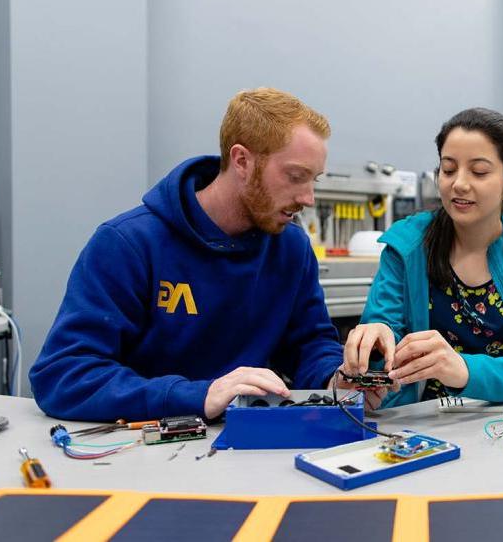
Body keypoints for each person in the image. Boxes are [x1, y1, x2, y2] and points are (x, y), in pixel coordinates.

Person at [30, 87, 379, 421]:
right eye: (295, 176)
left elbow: (309, 344)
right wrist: (198, 396)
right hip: (143, 451)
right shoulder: (128, 244)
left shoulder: (291, 248)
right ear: (242, 160)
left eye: (313, 179)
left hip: (250, 450)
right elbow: (63, 376)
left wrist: (336, 382)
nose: (308, 198)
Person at [341, 107, 503, 407]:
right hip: (418, 424)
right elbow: (383, 333)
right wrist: (374, 345)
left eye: (479, 172)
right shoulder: (407, 245)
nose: (459, 184)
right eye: (448, 169)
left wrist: (461, 369)